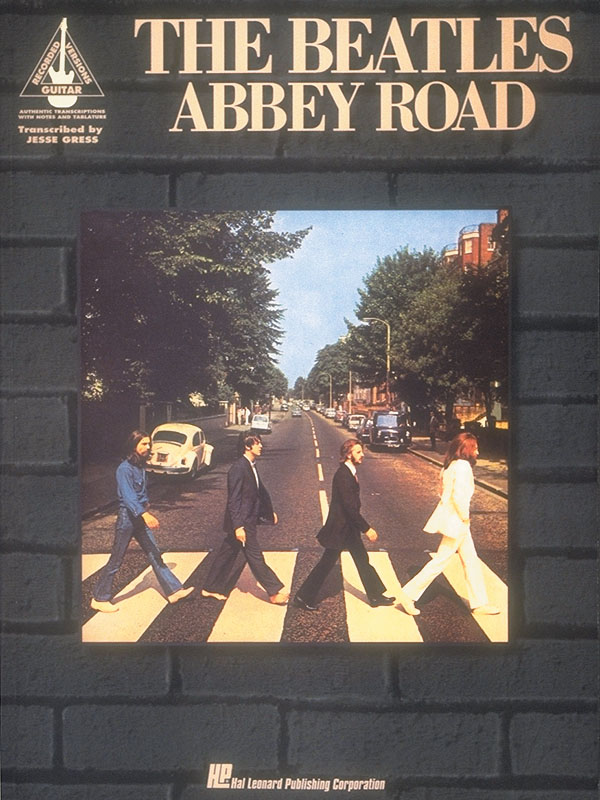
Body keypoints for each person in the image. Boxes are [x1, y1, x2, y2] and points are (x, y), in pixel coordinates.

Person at [293, 438, 417, 613]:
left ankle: (375, 595)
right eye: (358, 452)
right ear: (348, 454)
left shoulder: (349, 472)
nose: (362, 455)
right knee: (326, 564)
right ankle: (302, 597)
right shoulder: (343, 475)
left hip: (348, 529)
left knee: (362, 560)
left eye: (361, 451)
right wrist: (367, 529)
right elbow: (349, 508)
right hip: (340, 529)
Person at [91, 430, 194, 612]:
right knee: (116, 559)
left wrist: (146, 503)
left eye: (149, 443)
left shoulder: (139, 466)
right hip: (128, 518)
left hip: (138, 517)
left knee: (154, 553)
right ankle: (99, 598)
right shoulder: (124, 469)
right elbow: (128, 496)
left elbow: (139, 492)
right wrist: (145, 514)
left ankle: (174, 591)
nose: (148, 447)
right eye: (144, 444)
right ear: (133, 446)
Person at [398, 432, 499, 616]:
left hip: (454, 520)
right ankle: (408, 594)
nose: (477, 452)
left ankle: (479, 604)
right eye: (475, 448)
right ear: (466, 449)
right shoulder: (463, 467)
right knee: (440, 561)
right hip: (458, 522)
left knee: (471, 560)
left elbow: (442, 492)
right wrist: (465, 517)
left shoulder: (449, 466)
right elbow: (459, 497)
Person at [201, 434, 289, 605]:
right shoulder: (238, 468)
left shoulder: (250, 465)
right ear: (247, 446)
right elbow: (233, 500)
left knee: (227, 553)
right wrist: (238, 526)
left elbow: (258, 493)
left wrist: (269, 513)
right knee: (255, 556)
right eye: (257, 443)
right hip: (243, 521)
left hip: (247, 518)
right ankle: (273, 591)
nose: (261, 446)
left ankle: (210, 587)